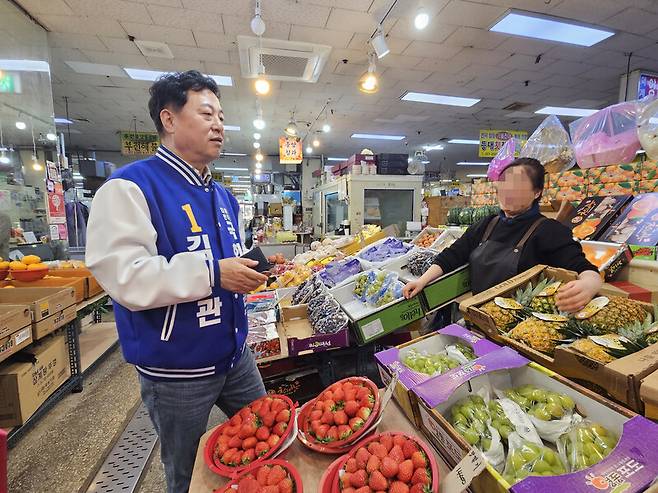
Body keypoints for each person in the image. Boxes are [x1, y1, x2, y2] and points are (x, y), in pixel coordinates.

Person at [86, 71, 269, 493]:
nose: (219, 124)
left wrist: (247, 268)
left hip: (235, 355)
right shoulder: (130, 187)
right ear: (169, 120)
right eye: (206, 113)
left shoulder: (222, 195)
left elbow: (225, 262)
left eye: (221, 115)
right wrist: (214, 272)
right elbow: (125, 277)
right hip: (176, 370)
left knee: (268, 442)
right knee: (186, 473)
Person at [403, 158, 602, 312]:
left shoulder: (549, 231)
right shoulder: (487, 224)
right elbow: (452, 255)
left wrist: (589, 284)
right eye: (504, 184)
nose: (508, 191)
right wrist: (422, 281)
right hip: (479, 318)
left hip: (521, 331)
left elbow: (584, 268)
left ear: (537, 192)